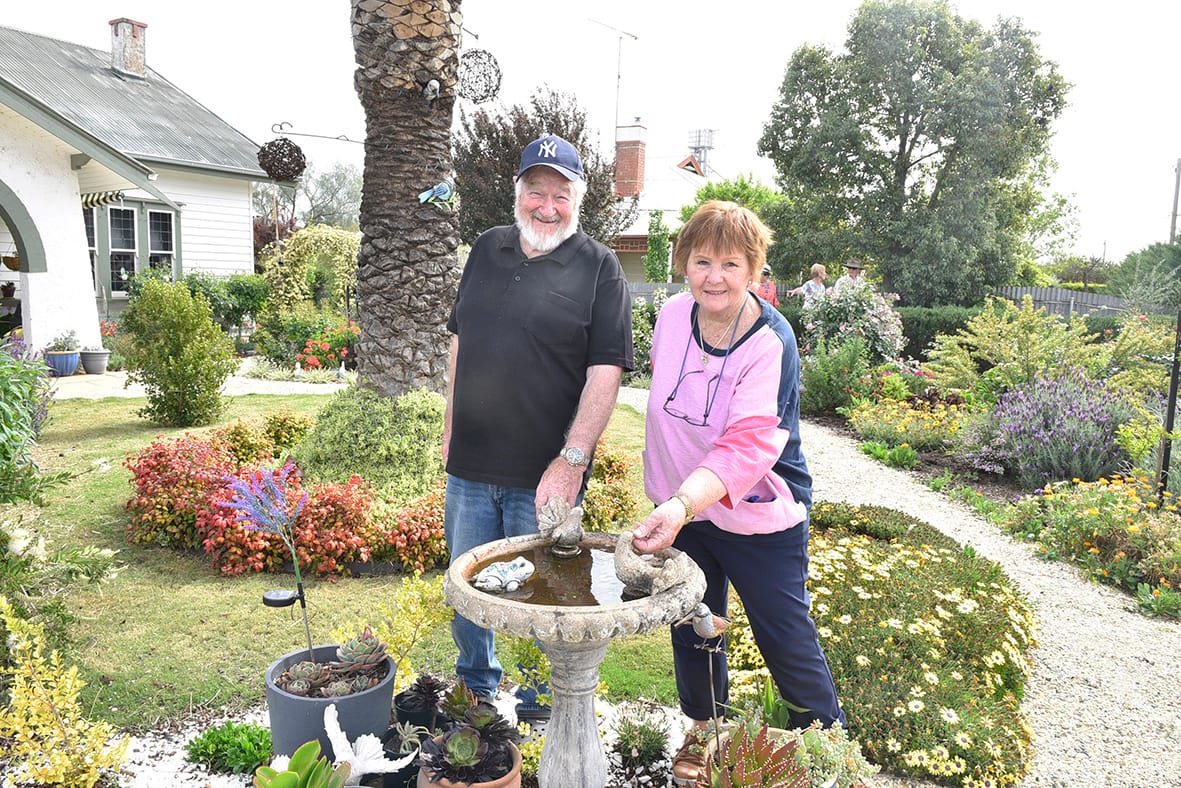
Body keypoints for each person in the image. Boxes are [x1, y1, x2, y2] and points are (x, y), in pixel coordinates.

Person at [629, 200, 844, 785]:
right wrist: (674, 502)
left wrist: (679, 503)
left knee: (785, 636)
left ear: (754, 271)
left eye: (730, 264)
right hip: (684, 513)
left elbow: (748, 445)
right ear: (684, 263)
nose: (714, 277)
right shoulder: (674, 316)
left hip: (759, 517)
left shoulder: (772, 340)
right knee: (694, 623)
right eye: (702, 261)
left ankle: (828, 754)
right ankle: (702, 734)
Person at [442, 134, 634, 712]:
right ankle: (474, 694)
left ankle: (537, 707)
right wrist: (450, 427)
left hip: (545, 477)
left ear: (578, 201)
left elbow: (606, 373)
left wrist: (572, 460)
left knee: (545, 598)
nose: (546, 207)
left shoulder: (600, 269)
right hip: (471, 467)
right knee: (467, 591)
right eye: (536, 192)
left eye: (560, 195)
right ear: (518, 193)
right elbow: (459, 341)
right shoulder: (486, 248)